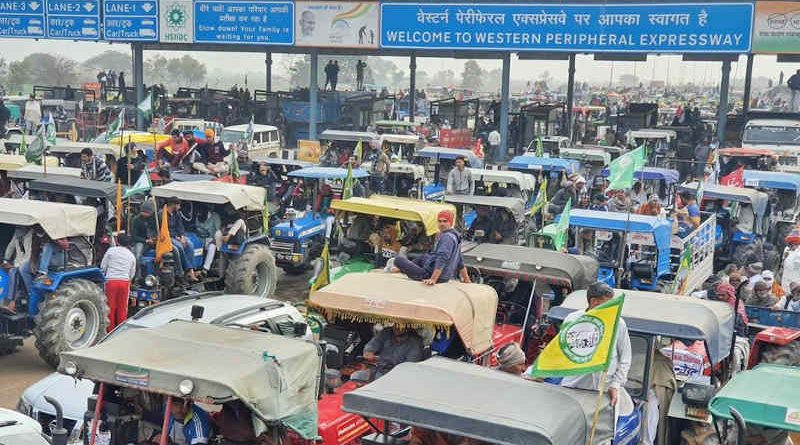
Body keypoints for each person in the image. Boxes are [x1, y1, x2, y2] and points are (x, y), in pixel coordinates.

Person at [560, 282, 631, 408]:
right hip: (573, 387)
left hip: (604, 391)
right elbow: (560, 352)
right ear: (594, 302)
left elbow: (625, 358)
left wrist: (615, 385)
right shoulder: (572, 320)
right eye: (608, 304)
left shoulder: (618, 323)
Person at [389, 210, 471, 285]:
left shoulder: (447, 237)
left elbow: (442, 259)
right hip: (443, 276)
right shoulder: (455, 236)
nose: (442, 224)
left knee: (398, 260)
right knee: (424, 257)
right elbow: (460, 261)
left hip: (430, 275)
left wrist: (433, 279)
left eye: (445, 221)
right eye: (440, 221)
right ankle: (402, 269)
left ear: (451, 223)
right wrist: (467, 279)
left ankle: (401, 268)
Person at [100, 235, 136, 331]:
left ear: (117, 241)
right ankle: (120, 330)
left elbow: (103, 266)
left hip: (111, 281)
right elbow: (132, 272)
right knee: (122, 308)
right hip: (124, 282)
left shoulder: (111, 251)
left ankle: (109, 330)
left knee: (110, 307)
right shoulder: (131, 255)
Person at [166, 198, 199, 282]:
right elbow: (164, 229)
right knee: (179, 247)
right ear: (174, 205)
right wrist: (176, 237)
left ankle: (191, 270)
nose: (180, 207)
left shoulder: (176, 214)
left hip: (177, 235)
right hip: (167, 237)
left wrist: (182, 236)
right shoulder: (162, 214)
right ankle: (186, 270)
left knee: (190, 244)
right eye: (178, 205)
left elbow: (180, 226)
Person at [195, 206, 221, 274]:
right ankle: (195, 267)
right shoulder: (198, 216)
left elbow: (218, 231)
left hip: (211, 238)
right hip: (199, 238)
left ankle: (205, 269)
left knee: (212, 247)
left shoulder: (215, 216)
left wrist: (215, 239)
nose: (198, 215)